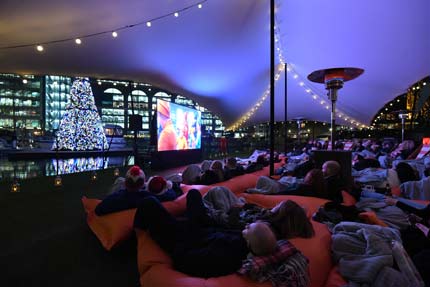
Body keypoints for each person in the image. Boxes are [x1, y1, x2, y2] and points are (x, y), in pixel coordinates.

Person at [133, 190, 277, 278]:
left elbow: (186, 260)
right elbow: (221, 228)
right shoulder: (241, 238)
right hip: (202, 229)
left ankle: (138, 236)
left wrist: (182, 240)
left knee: (148, 203)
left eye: (249, 228)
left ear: (251, 242)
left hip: (184, 238)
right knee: (194, 193)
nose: (246, 225)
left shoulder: (227, 256)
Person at [95, 166, 178, 216]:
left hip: (123, 195)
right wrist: (170, 185)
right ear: (143, 184)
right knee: (174, 177)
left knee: (119, 179)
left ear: (126, 184)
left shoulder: (115, 198)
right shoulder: (149, 196)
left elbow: (98, 210)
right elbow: (172, 195)